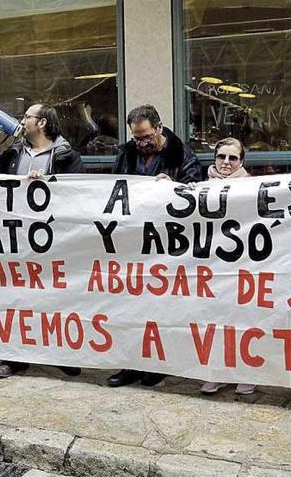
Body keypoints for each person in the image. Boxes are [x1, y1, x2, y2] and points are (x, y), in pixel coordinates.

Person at [0, 103, 85, 379]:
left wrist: (48, 183)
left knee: (55, 298)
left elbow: (77, 193)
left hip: (52, 240)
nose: (21, 120)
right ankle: (14, 356)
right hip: (17, 238)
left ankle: (60, 353)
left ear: (42, 123)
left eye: (27, 116)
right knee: (16, 298)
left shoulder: (66, 155)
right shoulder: (14, 151)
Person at [107, 104, 203, 388]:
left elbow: (196, 194)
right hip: (133, 243)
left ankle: (157, 364)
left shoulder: (182, 155)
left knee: (161, 308)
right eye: (137, 137)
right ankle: (130, 363)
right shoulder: (126, 153)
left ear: (160, 128)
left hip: (166, 245)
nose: (141, 143)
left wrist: (173, 186)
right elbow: (114, 189)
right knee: (128, 307)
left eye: (146, 136)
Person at [198, 137, 255, 396]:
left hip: (242, 264)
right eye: (221, 157)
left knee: (242, 320)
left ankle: (246, 373)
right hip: (211, 265)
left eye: (233, 158)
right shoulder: (200, 185)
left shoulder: (254, 187)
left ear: (241, 162)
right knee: (214, 318)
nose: (226, 163)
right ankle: (217, 372)